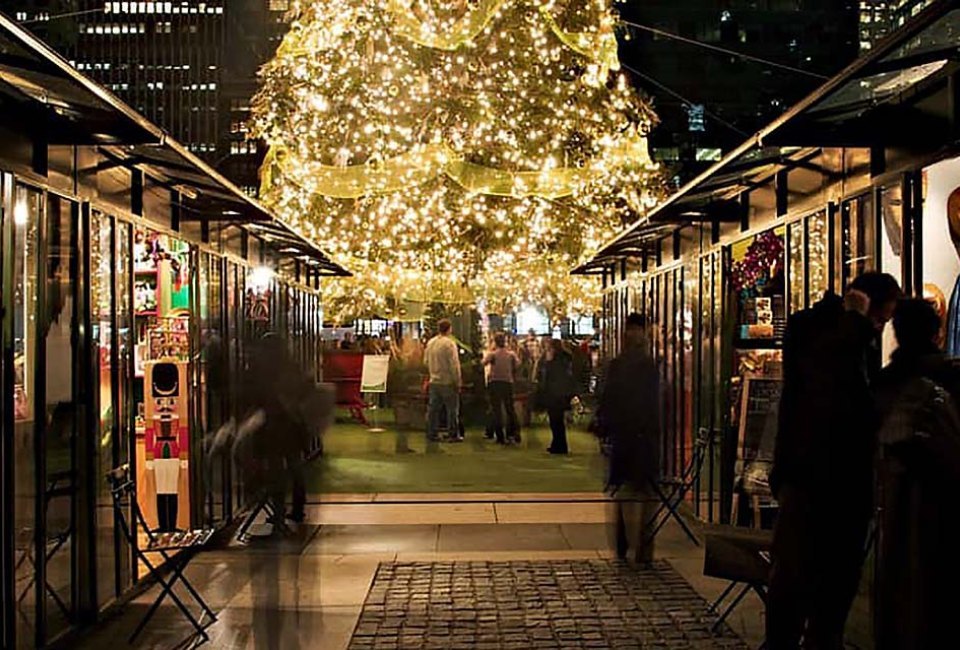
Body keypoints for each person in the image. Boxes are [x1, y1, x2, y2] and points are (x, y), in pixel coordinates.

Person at [767, 271, 900, 650]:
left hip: (826, 479)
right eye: (880, 318)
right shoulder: (826, 333)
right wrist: (857, 323)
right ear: (863, 304)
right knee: (802, 581)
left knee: (825, 583)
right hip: (816, 477)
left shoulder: (848, 336)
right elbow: (825, 383)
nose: (880, 328)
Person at [871, 298, 960, 650]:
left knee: (899, 591)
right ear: (938, 334)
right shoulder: (953, 378)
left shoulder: (882, 384)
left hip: (895, 507)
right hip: (948, 506)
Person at [597, 313, 661, 563]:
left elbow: (609, 398)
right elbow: (652, 404)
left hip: (626, 436)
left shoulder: (622, 364)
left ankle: (627, 545)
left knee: (626, 493)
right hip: (640, 437)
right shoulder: (647, 365)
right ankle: (642, 549)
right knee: (644, 494)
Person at [424, 319, 462, 442]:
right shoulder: (449, 344)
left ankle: (431, 433)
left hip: (434, 380)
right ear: (449, 329)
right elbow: (454, 365)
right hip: (447, 382)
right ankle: (452, 434)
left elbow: (425, 361)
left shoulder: (431, 343)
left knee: (433, 410)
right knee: (452, 409)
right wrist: (458, 381)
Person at [537, 338, 575, 454]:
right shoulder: (566, 359)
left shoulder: (553, 361)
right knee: (558, 420)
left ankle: (558, 445)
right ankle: (559, 444)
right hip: (562, 393)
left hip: (553, 394)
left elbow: (547, 377)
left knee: (555, 420)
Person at [483, 332, 521, 444]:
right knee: (510, 409)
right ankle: (514, 433)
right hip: (507, 382)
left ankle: (500, 436)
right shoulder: (511, 354)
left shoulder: (493, 354)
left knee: (496, 410)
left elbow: (483, 363)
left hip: (494, 383)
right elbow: (518, 364)